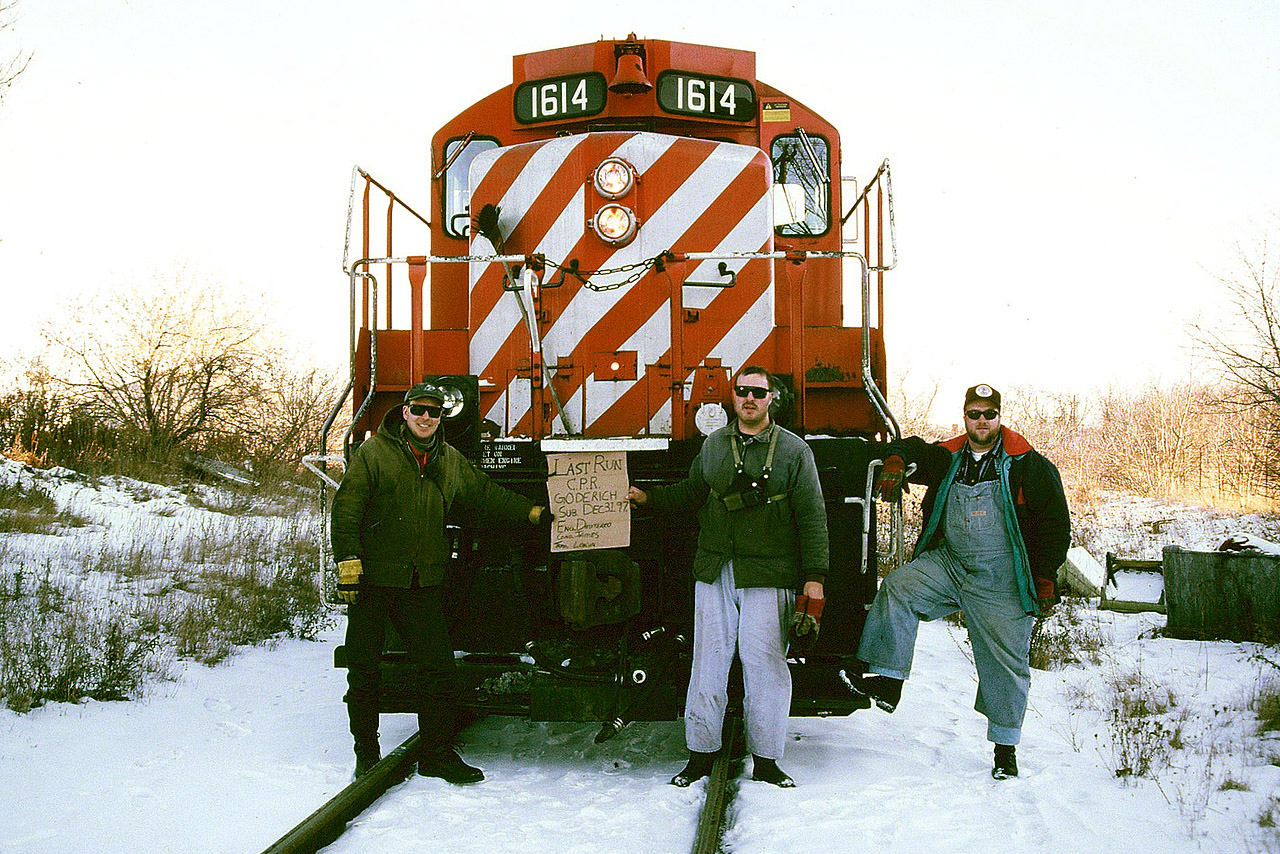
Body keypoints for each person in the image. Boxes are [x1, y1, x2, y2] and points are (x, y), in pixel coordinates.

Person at [331, 381, 549, 783]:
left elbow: (485, 494)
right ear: (405, 412)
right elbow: (347, 511)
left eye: (434, 412)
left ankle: (436, 755)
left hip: (421, 582)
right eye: (419, 410)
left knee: (438, 671)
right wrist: (348, 565)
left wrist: (532, 513)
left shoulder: (447, 459)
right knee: (364, 670)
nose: (426, 418)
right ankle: (367, 755)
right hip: (375, 582)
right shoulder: (374, 454)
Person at [851, 384, 1070, 779]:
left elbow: (1056, 525)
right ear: (964, 416)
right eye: (974, 413)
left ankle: (1005, 749)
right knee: (899, 587)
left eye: (989, 414)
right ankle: (888, 679)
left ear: (999, 416)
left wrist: (1044, 578)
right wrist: (897, 458)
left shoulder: (1028, 464)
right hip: (951, 564)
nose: (981, 421)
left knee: (1005, 662)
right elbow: (914, 446)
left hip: (1002, 573)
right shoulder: (948, 456)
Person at [627, 366, 829, 788]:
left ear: (772, 397)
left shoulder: (794, 452)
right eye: (742, 391)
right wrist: (647, 498)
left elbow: (812, 518)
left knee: (766, 665)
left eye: (758, 391)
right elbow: (690, 493)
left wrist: (814, 577)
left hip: (769, 572)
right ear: (732, 397)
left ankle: (768, 760)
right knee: (709, 661)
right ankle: (700, 755)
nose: (749, 399)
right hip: (716, 567)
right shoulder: (714, 445)